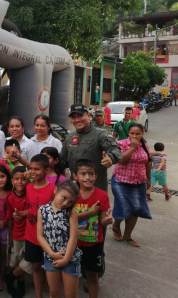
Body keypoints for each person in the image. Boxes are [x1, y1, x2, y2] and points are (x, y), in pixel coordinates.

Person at [9, 154, 55, 298]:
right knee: (34, 265)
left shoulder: (53, 190)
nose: (33, 172)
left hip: (47, 235)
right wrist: (21, 214)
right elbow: (32, 208)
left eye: (37, 169)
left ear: (47, 170)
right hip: (31, 234)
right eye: (31, 169)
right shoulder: (28, 187)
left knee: (47, 265)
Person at [73, 159, 113, 298]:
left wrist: (106, 220)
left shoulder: (102, 195)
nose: (87, 177)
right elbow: (68, 219)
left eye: (91, 174)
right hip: (73, 244)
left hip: (94, 244)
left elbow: (102, 220)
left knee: (92, 276)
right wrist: (90, 213)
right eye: (83, 174)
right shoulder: (71, 195)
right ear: (75, 176)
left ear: (96, 176)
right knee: (72, 275)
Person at [60, 103, 122, 192]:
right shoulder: (70, 137)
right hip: (75, 189)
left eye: (80, 116)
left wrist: (111, 158)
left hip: (95, 188)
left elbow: (116, 150)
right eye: (73, 117)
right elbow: (63, 160)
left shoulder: (101, 134)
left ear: (88, 115)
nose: (77, 120)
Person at [37, 180, 82, 298]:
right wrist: (52, 253)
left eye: (71, 201)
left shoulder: (71, 211)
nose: (66, 203)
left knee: (71, 295)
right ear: (55, 190)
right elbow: (40, 236)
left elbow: (73, 237)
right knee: (54, 293)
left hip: (70, 258)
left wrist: (66, 259)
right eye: (64, 198)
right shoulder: (42, 210)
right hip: (51, 258)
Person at [111, 123, 152, 247]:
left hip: (138, 182)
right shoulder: (121, 144)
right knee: (124, 207)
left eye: (137, 134)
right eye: (132, 133)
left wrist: (148, 178)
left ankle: (128, 236)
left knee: (136, 209)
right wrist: (132, 147)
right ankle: (116, 224)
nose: (134, 136)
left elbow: (147, 162)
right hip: (120, 181)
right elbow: (121, 160)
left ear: (142, 133)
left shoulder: (144, 145)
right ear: (128, 133)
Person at [5, 166, 31, 298]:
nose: (20, 182)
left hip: (30, 234)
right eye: (16, 179)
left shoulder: (31, 194)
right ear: (12, 181)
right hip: (17, 233)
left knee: (28, 260)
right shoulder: (10, 198)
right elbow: (9, 218)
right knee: (17, 260)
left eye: (23, 179)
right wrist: (10, 235)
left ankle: (11, 277)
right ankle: (20, 282)